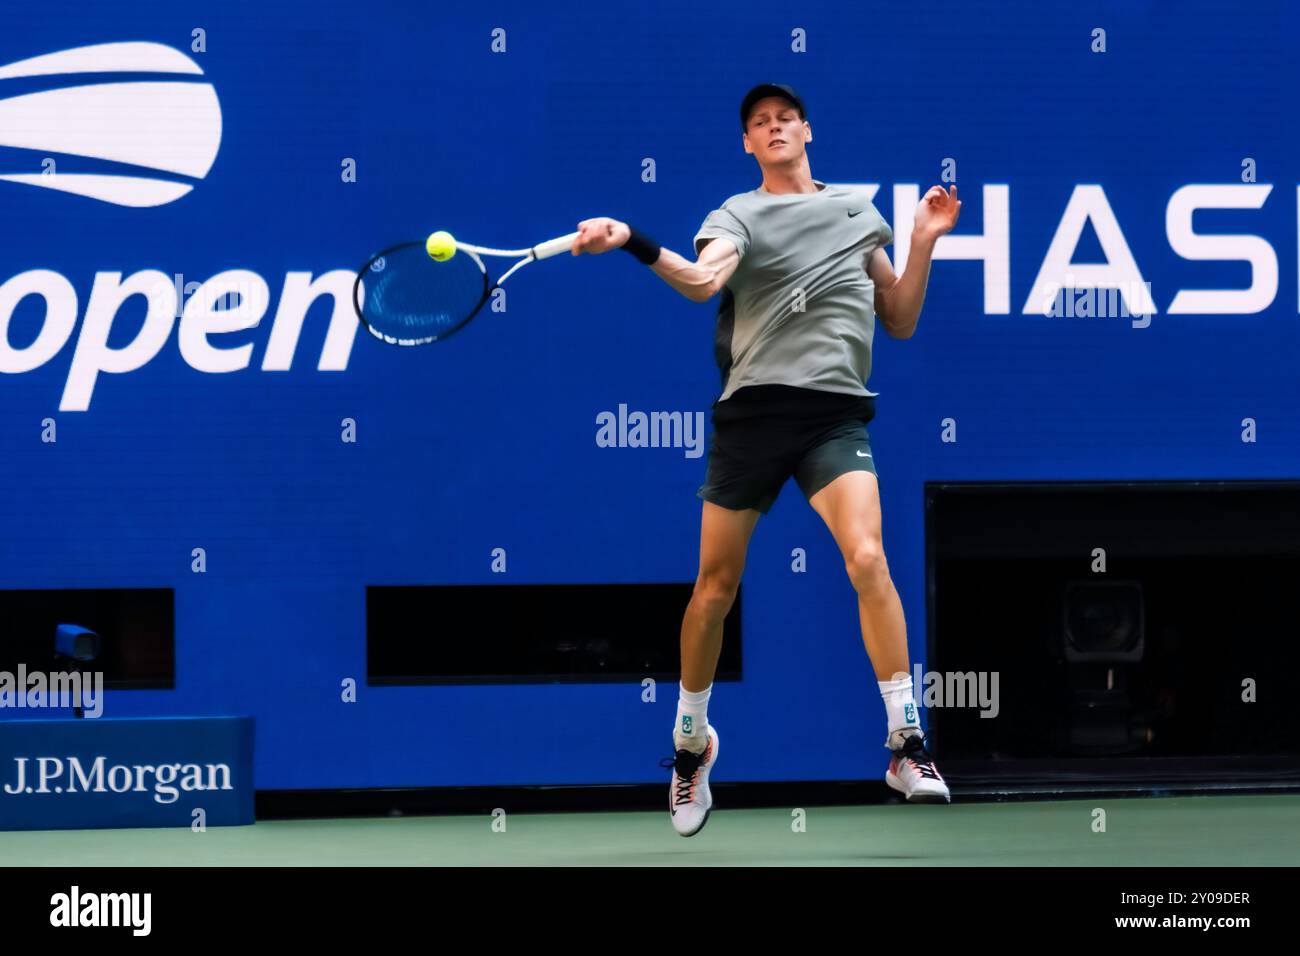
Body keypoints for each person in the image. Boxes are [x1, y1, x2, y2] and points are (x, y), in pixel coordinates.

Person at [571, 83, 961, 837]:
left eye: (784, 117)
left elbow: (901, 319)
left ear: (807, 129)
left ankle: (906, 744)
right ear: (748, 144)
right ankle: (691, 745)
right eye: (759, 122)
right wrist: (632, 238)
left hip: (833, 415)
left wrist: (923, 240)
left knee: (869, 557)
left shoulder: (859, 212)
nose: (774, 127)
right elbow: (701, 282)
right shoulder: (736, 215)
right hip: (752, 418)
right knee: (714, 591)